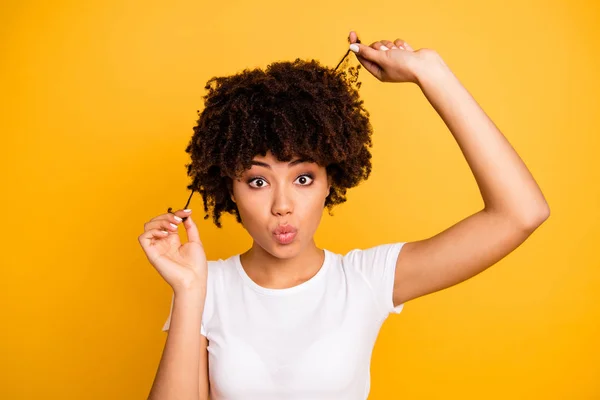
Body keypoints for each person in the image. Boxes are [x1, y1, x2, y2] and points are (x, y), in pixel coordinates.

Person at [138, 30, 550, 400]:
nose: (282, 205)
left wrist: (431, 73)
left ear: (330, 181)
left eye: (302, 178)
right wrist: (189, 292)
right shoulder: (206, 287)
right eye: (258, 181)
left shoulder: (364, 280)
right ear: (229, 187)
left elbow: (521, 213)